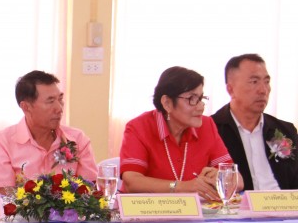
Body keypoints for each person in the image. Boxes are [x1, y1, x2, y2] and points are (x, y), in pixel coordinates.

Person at [120, 66, 236, 198]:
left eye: (201, 98)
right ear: (167, 103)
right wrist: (183, 186)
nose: (201, 107)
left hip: (194, 208)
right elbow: (132, 182)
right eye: (192, 99)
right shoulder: (139, 127)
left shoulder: (207, 125)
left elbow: (237, 180)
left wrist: (222, 177)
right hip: (147, 207)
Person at [0, 70, 98, 192]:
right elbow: (3, 197)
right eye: (50, 101)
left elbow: (90, 190)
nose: (59, 108)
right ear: (26, 107)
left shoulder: (78, 139)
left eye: (60, 99)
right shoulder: (1, 143)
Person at [212, 54, 298, 191]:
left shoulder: (285, 130)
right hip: (238, 204)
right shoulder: (212, 129)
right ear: (230, 89)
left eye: (266, 82)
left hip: (284, 203)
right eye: (254, 82)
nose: (263, 90)